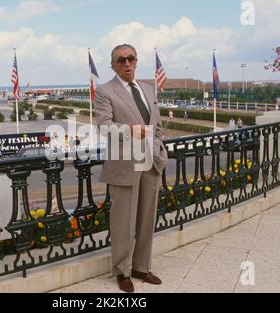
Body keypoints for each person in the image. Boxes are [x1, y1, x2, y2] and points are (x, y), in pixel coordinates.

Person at [95, 44, 168, 293]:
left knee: (147, 219)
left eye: (131, 59)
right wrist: (130, 130)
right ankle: (122, 271)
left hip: (151, 162)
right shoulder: (105, 91)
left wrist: (159, 147)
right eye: (121, 60)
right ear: (113, 64)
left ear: (136, 61)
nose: (127, 63)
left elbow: (156, 124)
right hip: (124, 165)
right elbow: (104, 126)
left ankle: (140, 267)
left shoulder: (148, 88)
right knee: (123, 222)